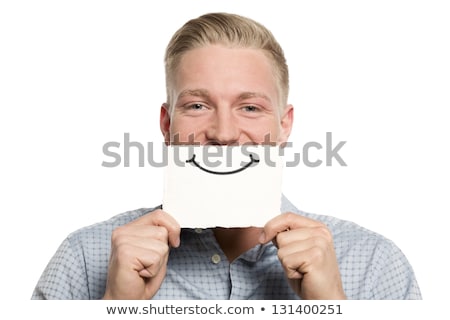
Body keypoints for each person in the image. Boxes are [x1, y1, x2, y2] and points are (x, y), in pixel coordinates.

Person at [31, 12, 421, 300]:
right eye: (198, 106)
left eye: (250, 108)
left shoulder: (374, 265)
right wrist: (116, 308)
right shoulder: (84, 259)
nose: (224, 133)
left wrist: (332, 309)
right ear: (167, 126)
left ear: (285, 125)